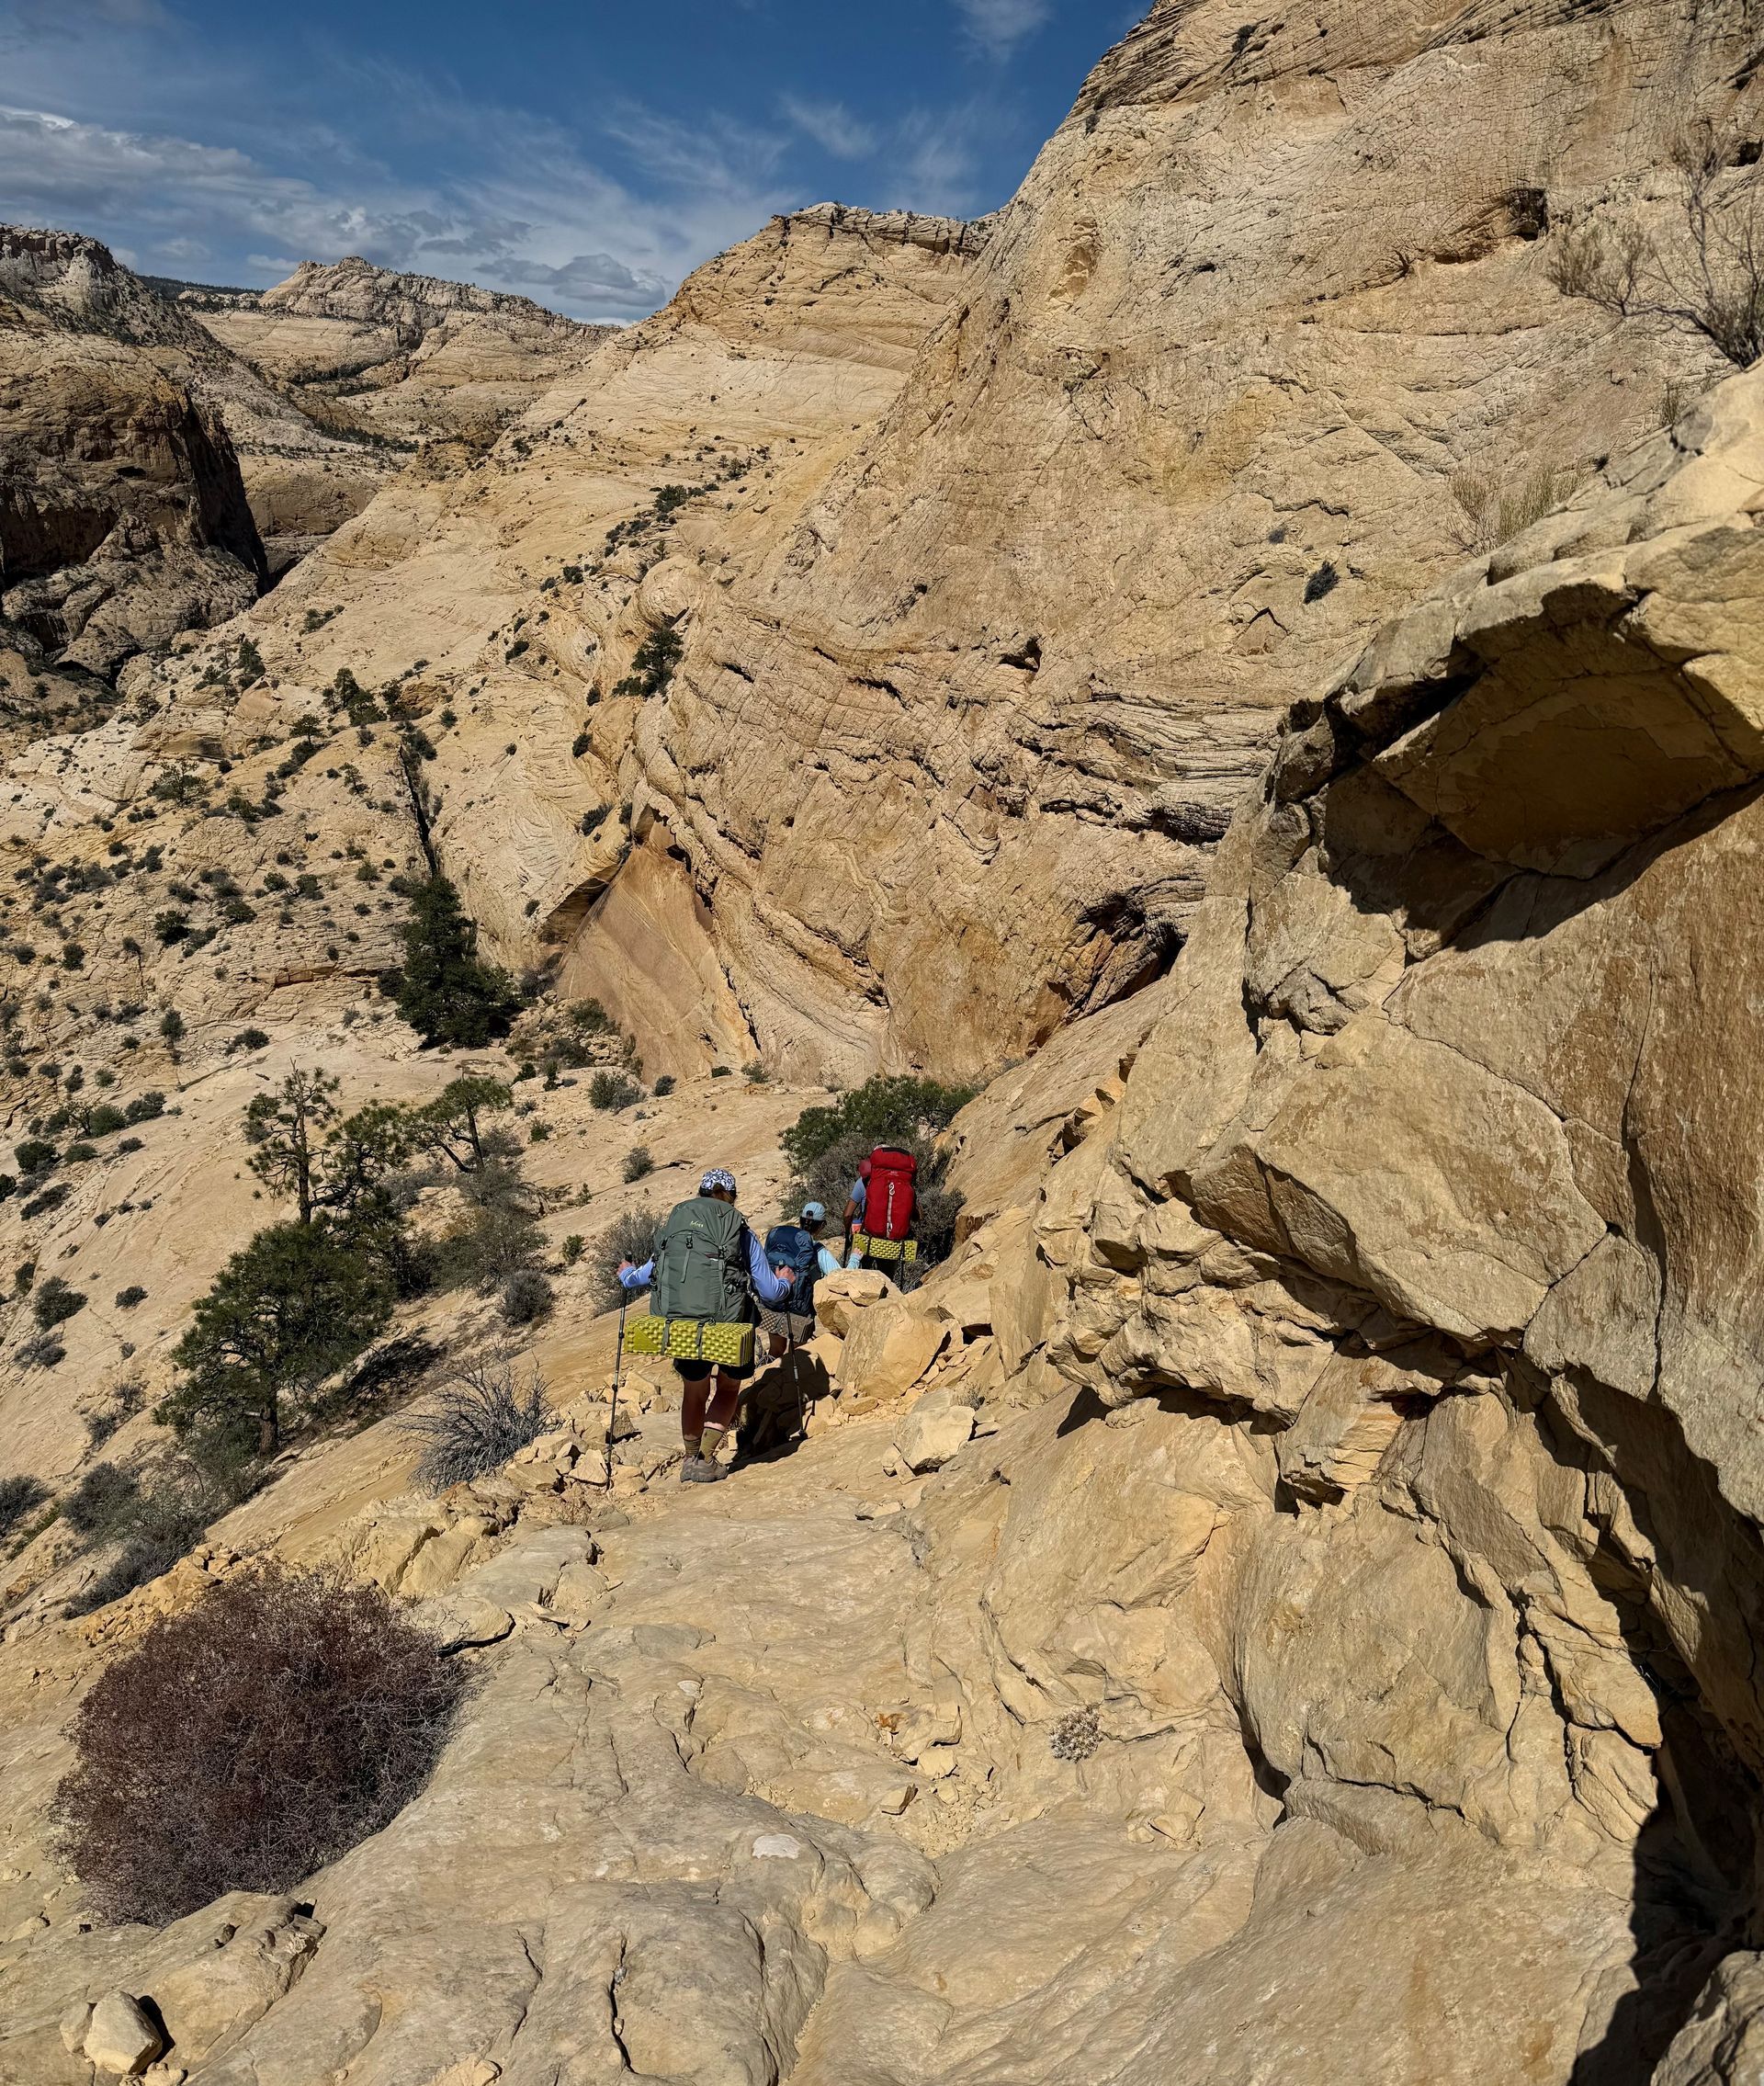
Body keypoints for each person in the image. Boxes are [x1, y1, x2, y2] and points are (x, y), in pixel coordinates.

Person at [618, 1168, 794, 1483]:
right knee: (727, 1388)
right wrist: (785, 1284)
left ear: (699, 1193)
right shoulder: (739, 1229)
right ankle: (706, 1459)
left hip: (683, 1325)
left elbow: (642, 1276)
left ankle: (689, 1459)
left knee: (694, 1391)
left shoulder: (677, 1225)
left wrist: (625, 1272)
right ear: (733, 1197)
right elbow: (768, 1291)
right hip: (730, 1324)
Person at [759, 1200, 841, 1360]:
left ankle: (767, 1378)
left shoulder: (780, 1241)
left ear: (800, 1220)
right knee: (797, 1352)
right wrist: (855, 1259)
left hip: (773, 1304)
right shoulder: (819, 1251)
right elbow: (838, 1277)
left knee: (776, 1349)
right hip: (799, 1311)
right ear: (822, 1226)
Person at [842, 1158, 873, 1266]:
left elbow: (847, 1214)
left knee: (864, 1269)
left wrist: (848, 1232)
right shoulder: (893, 1180)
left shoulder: (861, 1183)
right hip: (892, 1237)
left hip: (868, 1234)